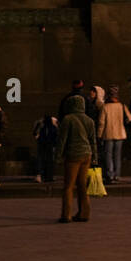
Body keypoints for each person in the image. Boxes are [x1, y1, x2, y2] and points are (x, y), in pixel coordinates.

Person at [56, 94, 97, 222]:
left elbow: (62, 140)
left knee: (68, 186)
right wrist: (95, 156)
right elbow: (93, 141)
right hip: (87, 155)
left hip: (73, 155)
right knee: (82, 185)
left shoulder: (68, 119)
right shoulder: (89, 120)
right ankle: (84, 213)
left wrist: (58, 156)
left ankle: (66, 215)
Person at [98, 85, 131, 185]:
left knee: (108, 155)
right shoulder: (122, 106)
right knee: (117, 155)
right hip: (120, 133)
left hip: (108, 134)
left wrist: (99, 135)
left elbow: (101, 123)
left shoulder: (105, 107)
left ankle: (110, 174)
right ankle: (117, 174)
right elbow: (130, 118)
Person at [33, 114, 58, 183]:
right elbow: (56, 135)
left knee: (41, 160)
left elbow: (35, 133)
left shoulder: (41, 124)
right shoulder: (52, 126)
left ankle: (41, 175)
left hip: (42, 144)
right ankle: (48, 176)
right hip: (49, 145)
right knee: (49, 160)